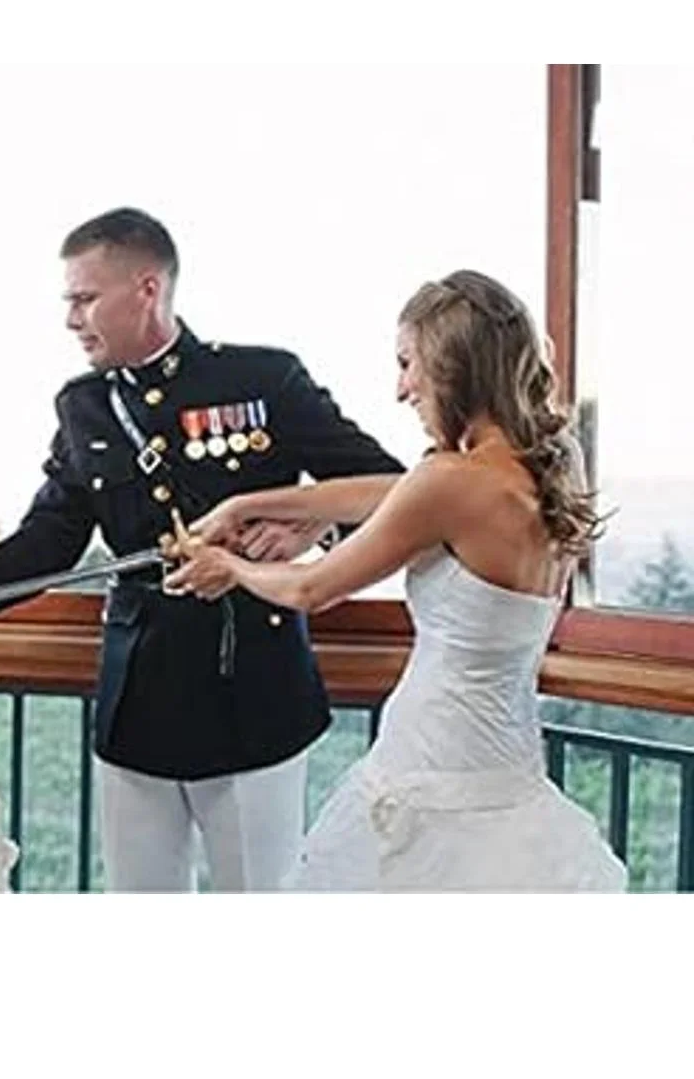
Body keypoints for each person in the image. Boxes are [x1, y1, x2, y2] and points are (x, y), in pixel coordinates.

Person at [0, 208, 403, 891]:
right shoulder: (84, 407)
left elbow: (389, 489)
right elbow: (51, 536)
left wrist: (309, 528)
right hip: (140, 698)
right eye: (68, 301)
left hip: (254, 692)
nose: (71, 320)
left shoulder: (262, 379)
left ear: (146, 289)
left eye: (84, 299)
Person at [164, 269, 626, 891]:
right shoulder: (549, 464)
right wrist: (247, 504)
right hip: (505, 768)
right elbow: (389, 494)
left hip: (428, 768)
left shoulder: (450, 483)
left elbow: (310, 589)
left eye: (408, 363)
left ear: (452, 365)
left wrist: (229, 567)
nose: (401, 388)